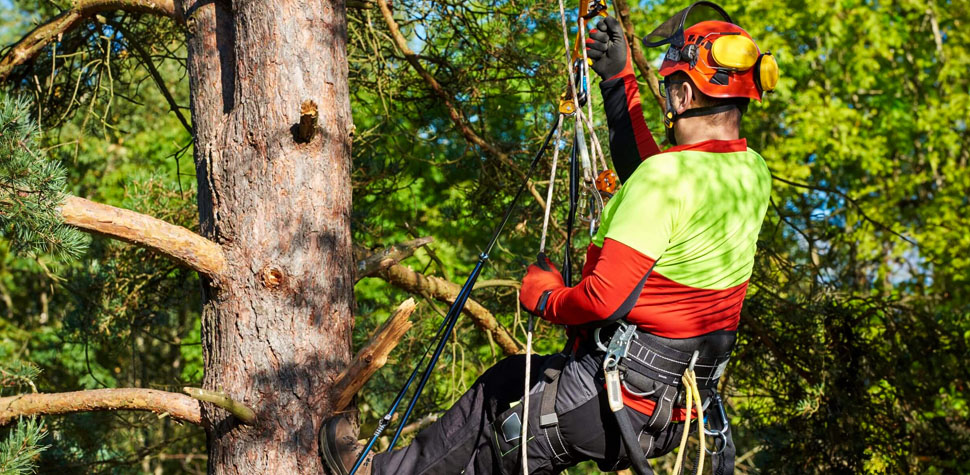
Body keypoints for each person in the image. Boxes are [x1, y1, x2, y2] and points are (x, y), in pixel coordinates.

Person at [320, 3, 777, 474]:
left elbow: (603, 300)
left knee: (494, 398)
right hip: (676, 411)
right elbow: (657, 177)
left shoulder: (666, 178)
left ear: (682, 96)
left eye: (669, 91)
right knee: (510, 386)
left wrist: (544, 297)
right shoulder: (750, 173)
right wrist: (620, 83)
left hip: (612, 402)